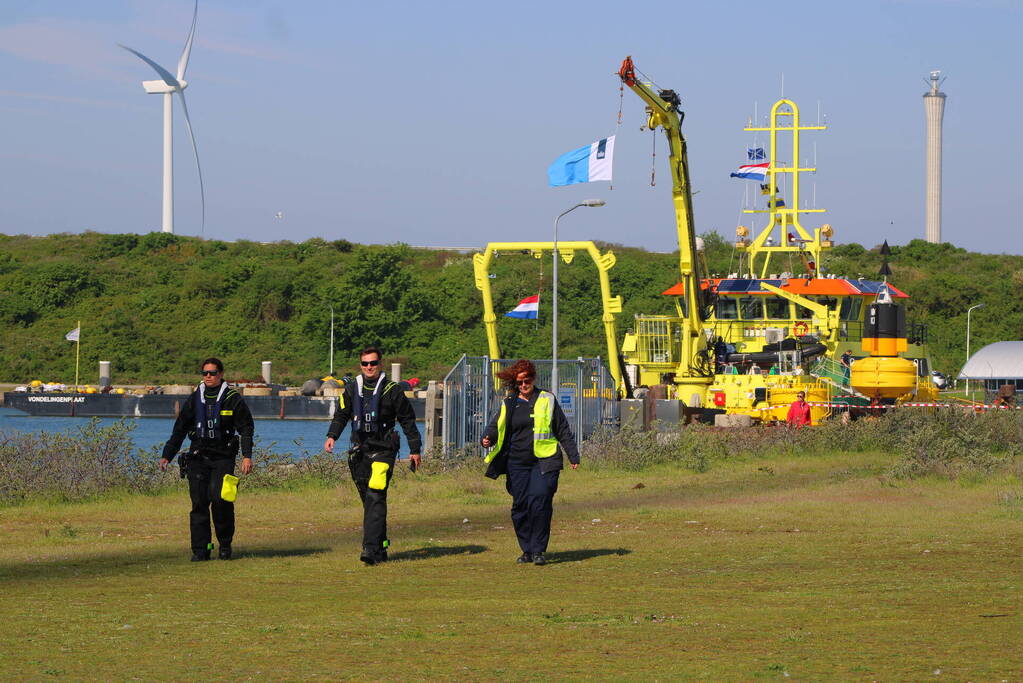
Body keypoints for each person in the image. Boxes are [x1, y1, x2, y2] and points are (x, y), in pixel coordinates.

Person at [324, 347, 422, 565]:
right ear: (360, 365)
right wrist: (332, 436)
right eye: (365, 364)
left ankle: (369, 550)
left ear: (380, 364)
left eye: (373, 363)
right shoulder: (351, 390)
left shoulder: (392, 390)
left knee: (375, 495)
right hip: (360, 451)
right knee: (371, 502)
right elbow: (341, 415)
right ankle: (381, 546)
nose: (369, 367)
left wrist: (415, 449)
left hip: (384, 450)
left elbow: (408, 420)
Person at [480, 360, 579, 566]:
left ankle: (539, 550)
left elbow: (562, 429)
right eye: (520, 382)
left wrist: (573, 455)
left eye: (527, 380)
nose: (524, 385)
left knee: (540, 501)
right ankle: (527, 549)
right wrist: (487, 438)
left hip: (545, 460)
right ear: (515, 384)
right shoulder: (509, 402)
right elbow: (496, 425)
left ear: (533, 379)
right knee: (521, 506)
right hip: (516, 463)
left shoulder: (548, 399)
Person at [159, 358, 254, 561]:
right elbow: (180, 429)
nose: (208, 376)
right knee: (199, 504)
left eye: (212, 373)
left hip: (223, 457)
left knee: (221, 500)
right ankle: (201, 550)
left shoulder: (232, 398)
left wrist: (247, 456)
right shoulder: (195, 399)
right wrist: (167, 454)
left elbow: (246, 428)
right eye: (204, 373)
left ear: (220, 374)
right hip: (198, 457)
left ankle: (225, 545)